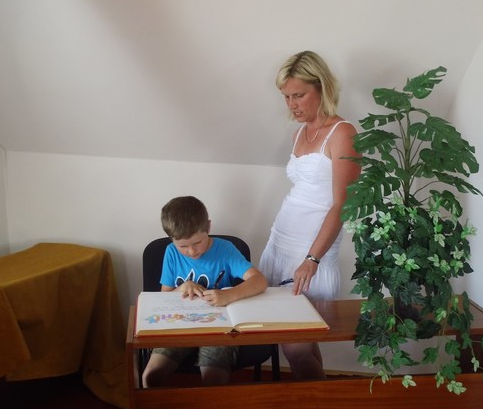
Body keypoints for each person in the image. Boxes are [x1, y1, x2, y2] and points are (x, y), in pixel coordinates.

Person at [259, 50, 360, 382]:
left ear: (322, 88)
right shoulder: (299, 134)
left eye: (298, 95)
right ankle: (315, 404)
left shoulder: (343, 133)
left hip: (311, 251)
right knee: (300, 342)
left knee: (296, 348)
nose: (292, 104)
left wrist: (312, 259)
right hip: (280, 243)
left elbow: (343, 205)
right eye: (286, 97)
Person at [142, 196, 268, 387]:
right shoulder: (171, 252)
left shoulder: (225, 250)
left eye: (197, 242)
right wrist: (181, 288)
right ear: (172, 240)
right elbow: (163, 298)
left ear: (208, 227)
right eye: (183, 246)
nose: (192, 251)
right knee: (151, 375)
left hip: (218, 328)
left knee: (213, 378)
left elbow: (260, 281)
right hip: (179, 325)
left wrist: (228, 295)